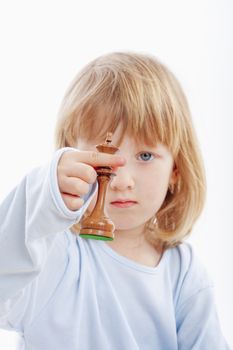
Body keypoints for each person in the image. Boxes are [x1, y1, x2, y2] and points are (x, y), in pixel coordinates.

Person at [0, 52, 230, 350]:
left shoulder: (185, 275)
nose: (122, 181)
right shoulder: (52, 252)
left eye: (145, 156)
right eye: (104, 155)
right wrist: (44, 194)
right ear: (72, 156)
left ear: (175, 170)